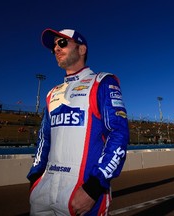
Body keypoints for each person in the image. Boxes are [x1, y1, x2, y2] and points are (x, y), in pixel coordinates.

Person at [27, 28, 129, 216]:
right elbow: (44, 138)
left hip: (81, 192)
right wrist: (35, 176)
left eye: (63, 43)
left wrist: (94, 187)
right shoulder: (52, 93)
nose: (56, 48)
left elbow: (119, 134)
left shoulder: (102, 82)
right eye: (54, 46)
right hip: (44, 191)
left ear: (82, 49)